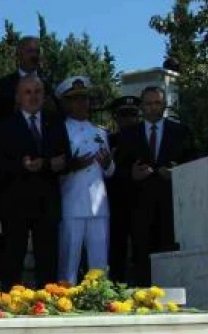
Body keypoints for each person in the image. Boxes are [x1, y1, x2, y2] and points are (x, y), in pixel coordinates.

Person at [115, 86, 194, 285]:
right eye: (148, 103)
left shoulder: (181, 132)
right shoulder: (127, 135)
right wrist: (132, 175)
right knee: (142, 259)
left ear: (165, 105)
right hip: (139, 208)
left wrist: (177, 173)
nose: (153, 107)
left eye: (157, 103)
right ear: (142, 107)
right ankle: (143, 300)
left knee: (169, 256)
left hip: (171, 208)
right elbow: (117, 172)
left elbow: (193, 164)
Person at [0, 75, 68, 289]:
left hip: (47, 203)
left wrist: (48, 164)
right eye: (28, 92)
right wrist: (22, 165)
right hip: (16, 202)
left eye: (37, 92)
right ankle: (8, 304)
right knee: (13, 258)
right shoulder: (6, 125)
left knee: (48, 260)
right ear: (18, 97)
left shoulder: (55, 124)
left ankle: (48, 304)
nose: (33, 96)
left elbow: (65, 157)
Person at [56, 76, 115, 284]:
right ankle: (64, 300)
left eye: (85, 99)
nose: (82, 103)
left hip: (98, 205)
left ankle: (99, 300)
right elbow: (57, 168)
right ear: (67, 103)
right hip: (72, 201)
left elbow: (109, 172)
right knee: (69, 262)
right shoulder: (60, 130)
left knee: (99, 263)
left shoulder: (99, 131)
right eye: (76, 99)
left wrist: (108, 164)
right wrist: (74, 165)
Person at [106, 95, 141, 283]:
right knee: (116, 250)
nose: (129, 120)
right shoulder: (110, 141)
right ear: (116, 118)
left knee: (141, 249)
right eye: (124, 115)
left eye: (133, 115)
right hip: (116, 202)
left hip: (140, 202)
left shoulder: (145, 137)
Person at [0, 36, 54, 130]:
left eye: (37, 52)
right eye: (30, 51)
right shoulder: (4, 85)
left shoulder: (47, 84)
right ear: (18, 55)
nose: (35, 56)